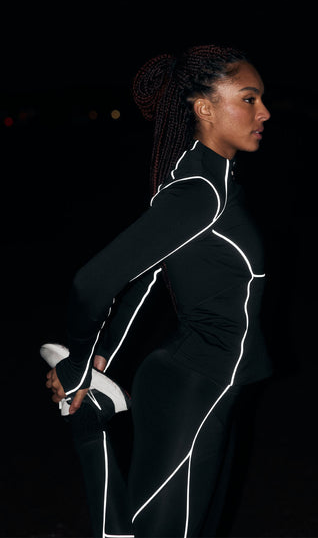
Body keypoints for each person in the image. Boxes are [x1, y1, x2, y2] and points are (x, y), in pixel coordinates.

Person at [44, 44, 273, 538]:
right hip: (194, 388)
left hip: (210, 386)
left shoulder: (213, 181)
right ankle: (89, 422)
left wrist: (104, 356)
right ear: (205, 108)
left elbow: (148, 278)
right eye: (249, 98)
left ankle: (93, 417)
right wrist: (79, 365)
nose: (264, 113)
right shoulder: (199, 193)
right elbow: (93, 281)